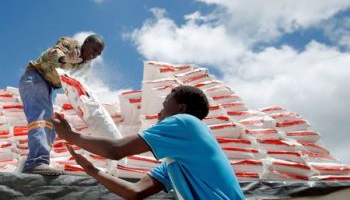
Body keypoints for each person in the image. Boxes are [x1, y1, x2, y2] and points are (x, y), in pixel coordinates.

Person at [53, 85, 245, 199]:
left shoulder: (184, 122)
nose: (158, 113)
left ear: (181, 108)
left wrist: (71, 136)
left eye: (164, 105)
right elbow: (135, 192)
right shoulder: (176, 162)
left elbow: (116, 150)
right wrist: (91, 170)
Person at [19, 35, 104, 175]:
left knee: (51, 125)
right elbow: (53, 54)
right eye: (94, 49)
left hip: (47, 86)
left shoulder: (85, 66)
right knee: (41, 119)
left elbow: (78, 84)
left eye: (98, 53)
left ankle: (37, 162)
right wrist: (65, 59)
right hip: (35, 77)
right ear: (86, 42)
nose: (95, 55)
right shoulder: (70, 45)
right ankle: (36, 162)